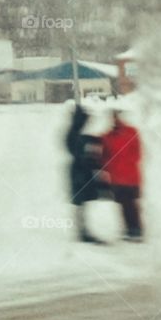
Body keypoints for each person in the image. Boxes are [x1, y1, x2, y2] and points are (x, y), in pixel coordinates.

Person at [65, 104, 106, 244]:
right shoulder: (75, 134)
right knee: (80, 202)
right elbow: (79, 152)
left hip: (79, 172)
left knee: (81, 203)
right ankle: (82, 231)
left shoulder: (75, 132)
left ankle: (82, 230)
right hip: (79, 173)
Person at [101, 109, 144, 241]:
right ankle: (129, 230)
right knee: (123, 204)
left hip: (130, 176)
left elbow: (137, 153)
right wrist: (110, 167)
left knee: (131, 204)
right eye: (113, 117)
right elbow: (104, 156)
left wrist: (124, 163)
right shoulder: (107, 136)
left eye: (116, 117)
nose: (115, 119)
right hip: (117, 177)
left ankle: (136, 230)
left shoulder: (131, 132)